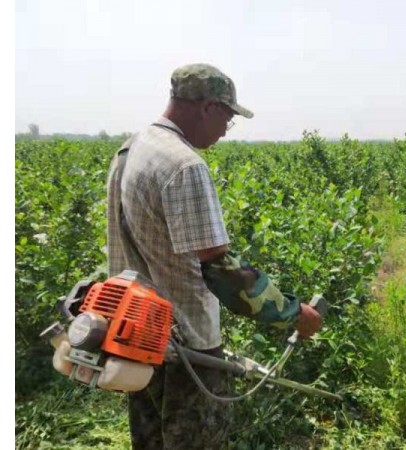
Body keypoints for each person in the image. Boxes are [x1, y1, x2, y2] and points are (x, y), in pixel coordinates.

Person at [106, 63, 322, 449]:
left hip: (137, 334)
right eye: (227, 117)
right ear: (208, 107)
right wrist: (293, 313)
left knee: (151, 440)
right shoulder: (184, 165)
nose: (226, 129)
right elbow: (221, 271)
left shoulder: (131, 149)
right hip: (185, 344)